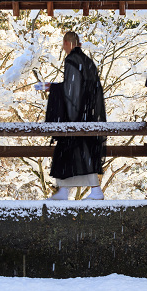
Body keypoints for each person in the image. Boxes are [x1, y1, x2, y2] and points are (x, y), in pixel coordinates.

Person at [42, 31, 107, 200]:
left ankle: (82, 191)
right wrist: (56, 87)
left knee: (69, 151)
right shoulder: (87, 61)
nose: (63, 47)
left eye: (63, 44)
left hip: (76, 116)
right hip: (89, 114)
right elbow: (80, 87)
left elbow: (73, 91)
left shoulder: (72, 60)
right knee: (83, 153)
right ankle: (69, 191)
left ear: (67, 43)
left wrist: (58, 93)